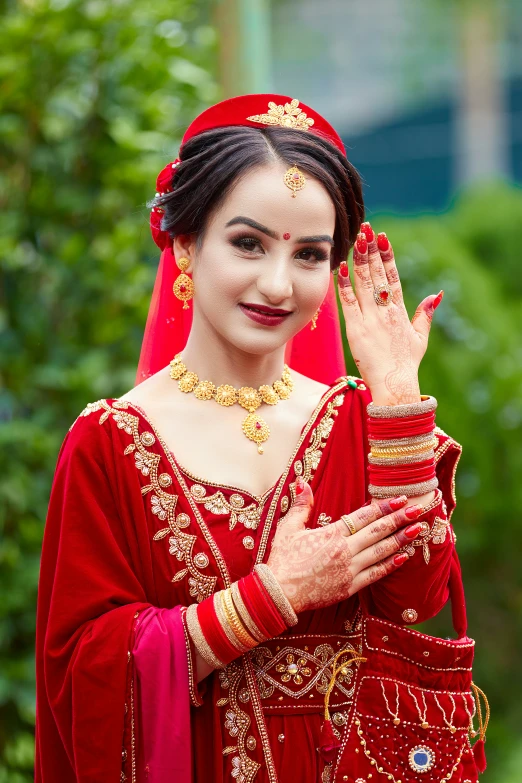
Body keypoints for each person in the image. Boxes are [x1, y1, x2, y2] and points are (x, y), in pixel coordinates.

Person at [34, 94, 464, 783]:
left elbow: (417, 597)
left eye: (309, 255)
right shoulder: (110, 441)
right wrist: (266, 596)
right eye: (247, 243)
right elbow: (82, 673)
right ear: (183, 243)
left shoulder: (359, 418)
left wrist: (398, 397)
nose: (276, 282)